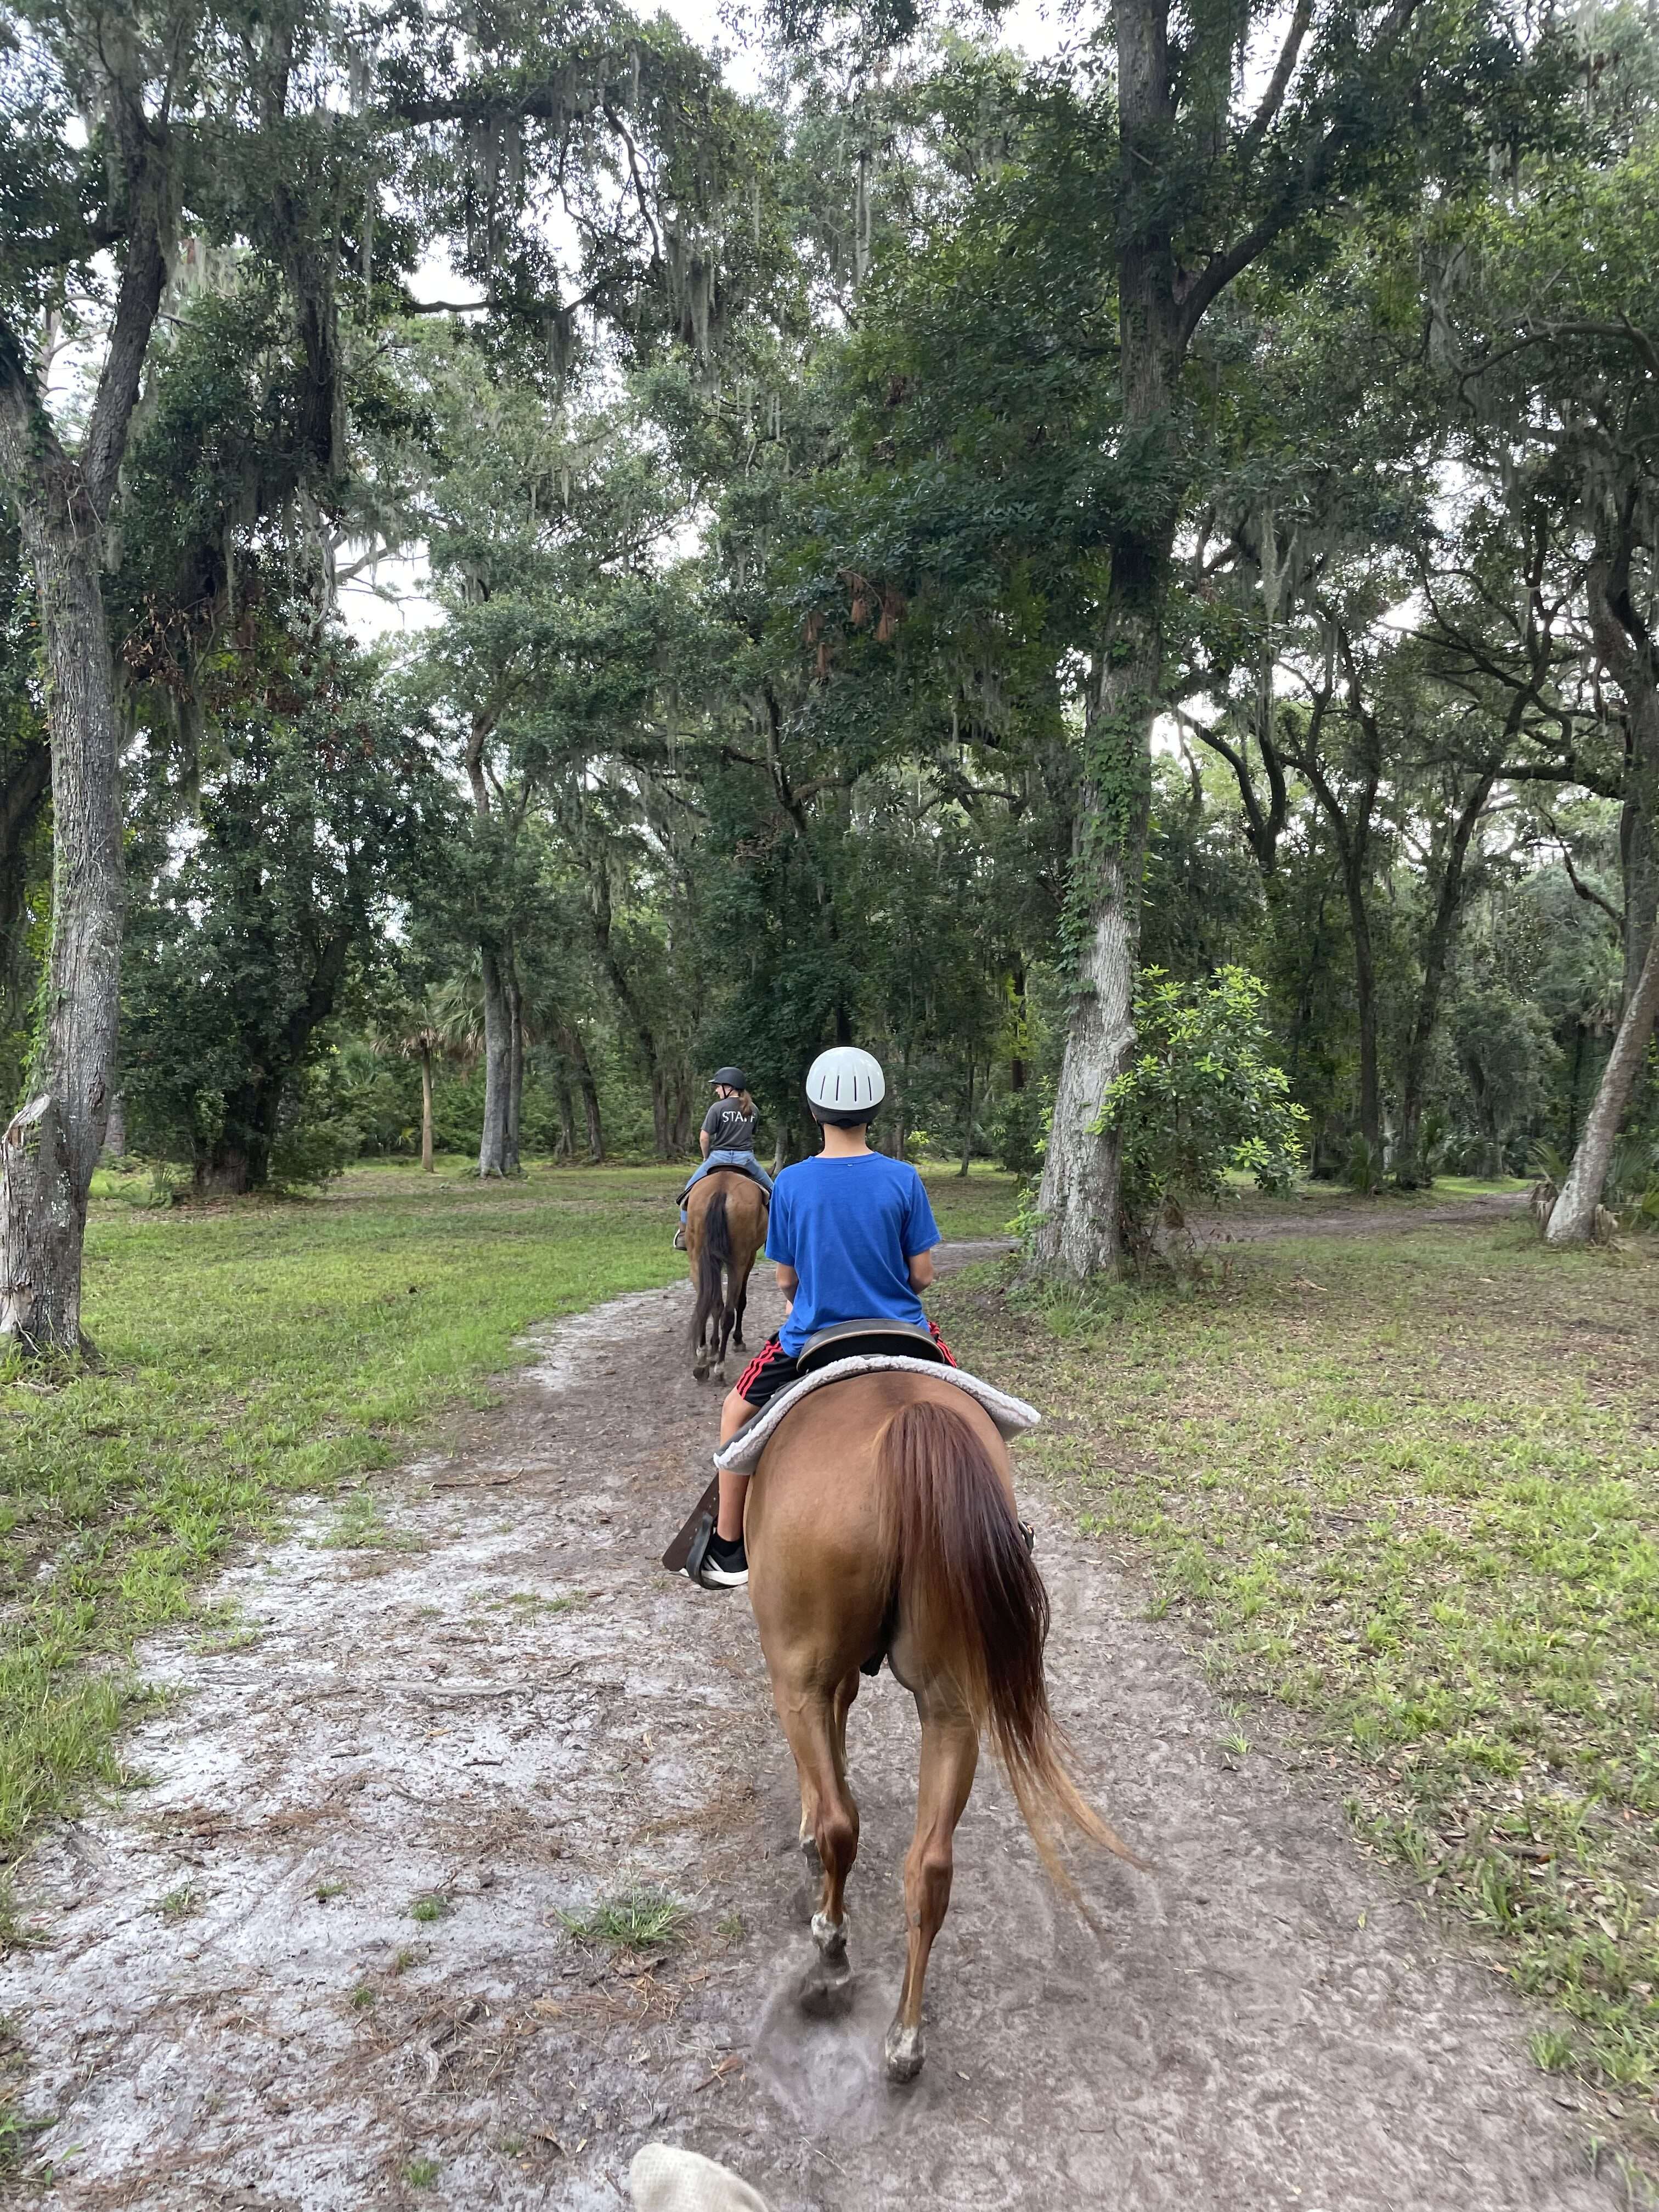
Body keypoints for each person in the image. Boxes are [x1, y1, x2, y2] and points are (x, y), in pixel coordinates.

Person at [695, 1044, 955, 1590]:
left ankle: (728, 1547)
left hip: (814, 1336)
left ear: (814, 1111)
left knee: (734, 1412)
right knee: (972, 1408)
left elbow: (786, 1282)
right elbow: (924, 1275)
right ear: (875, 1110)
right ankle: (1005, 1525)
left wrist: (804, 1296)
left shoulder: (791, 1183)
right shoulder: (905, 1178)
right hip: (903, 1332)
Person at [673, 1066, 775, 1250]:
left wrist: (706, 1158)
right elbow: (751, 1134)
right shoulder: (753, 1109)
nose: (716, 1090)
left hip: (718, 1158)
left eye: (718, 1086)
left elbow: (704, 1137)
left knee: (687, 1194)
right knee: (775, 1194)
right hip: (746, 1160)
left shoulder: (717, 1108)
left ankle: (684, 1233)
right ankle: (775, 1235)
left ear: (729, 1087)